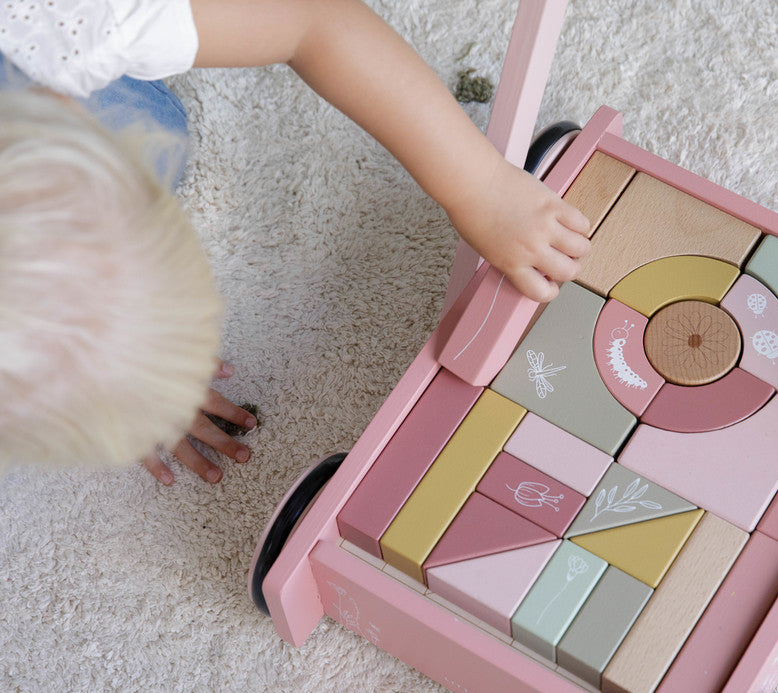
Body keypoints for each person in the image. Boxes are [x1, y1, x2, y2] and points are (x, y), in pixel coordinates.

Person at [0, 0, 592, 485]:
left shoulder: (65, 23)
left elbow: (313, 20)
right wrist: (124, 392)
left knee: (162, 134)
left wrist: (482, 187)